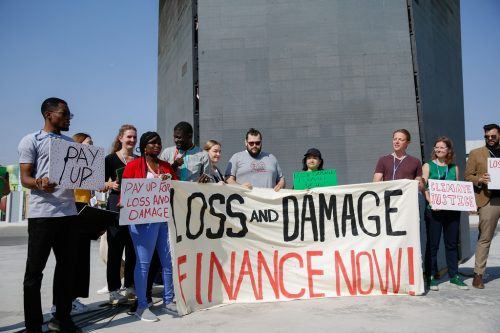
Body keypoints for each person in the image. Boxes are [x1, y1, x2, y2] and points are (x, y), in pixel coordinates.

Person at [18, 97, 81, 333]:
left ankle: (62, 318)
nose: (68, 118)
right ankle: (34, 326)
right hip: (43, 215)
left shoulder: (70, 144)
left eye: (69, 114)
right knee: (34, 272)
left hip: (68, 214)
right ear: (49, 114)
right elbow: (25, 178)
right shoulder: (31, 140)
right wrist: (39, 183)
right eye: (64, 114)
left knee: (67, 269)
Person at [123, 132, 178, 322]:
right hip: (142, 221)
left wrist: (169, 181)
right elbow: (126, 192)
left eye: (159, 142)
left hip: (163, 219)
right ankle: (142, 305)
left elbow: (178, 188)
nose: (157, 146)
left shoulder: (165, 166)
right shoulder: (132, 166)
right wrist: (124, 203)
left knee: (168, 261)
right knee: (144, 264)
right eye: (152, 143)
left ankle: (169, 300)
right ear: (144, 147)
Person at [50, 133, 93, 316]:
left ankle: (72, 298)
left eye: (92, 144)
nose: (91, 147)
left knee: (81, 258)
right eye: (87, 144)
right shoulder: (69, 163)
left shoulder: (90, 166)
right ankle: (58, 303)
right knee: (67, 259)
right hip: (70, 207)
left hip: (84, 208)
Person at [423, 136, 468, 290]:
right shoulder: (427, 166)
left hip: (452, 212)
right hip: (434, 210)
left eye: (442, 147)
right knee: (433, 244)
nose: (439, 149)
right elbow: (423, 187)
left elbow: (456, 188)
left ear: (448, 150)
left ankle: (454, 275)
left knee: (451, 244)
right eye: (437, 147)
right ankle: (431, 275)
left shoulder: (454, 167)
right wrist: (431, 202)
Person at [104, 124, 138, 304]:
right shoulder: (109, 160)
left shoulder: (139, 160)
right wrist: (111, 185)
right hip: (115, 207)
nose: (132, 140)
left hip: (134, 207)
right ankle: (113, 290)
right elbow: (98, 182)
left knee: (132, 249)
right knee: (115, 249)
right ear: (120, 138)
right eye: (129, 137)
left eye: (134, 137)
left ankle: (130, 286)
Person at [465, 123, 500, 289]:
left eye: (493, 136)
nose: (490, 139)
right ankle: (478, 275)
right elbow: (468, 176)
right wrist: (480, 179)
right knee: (484, 238)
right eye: (487, 137)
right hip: (488, 200)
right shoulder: (476, 153)